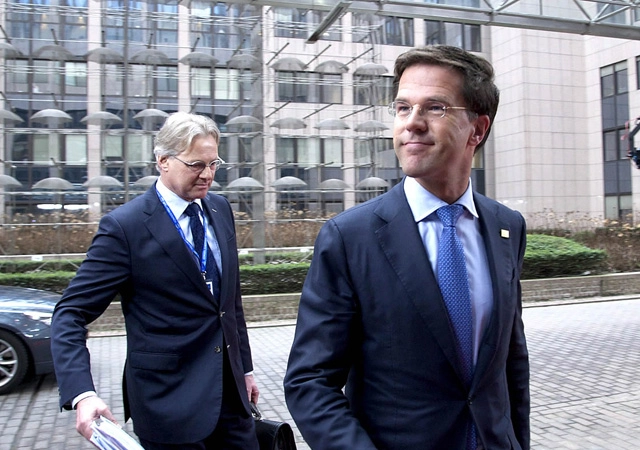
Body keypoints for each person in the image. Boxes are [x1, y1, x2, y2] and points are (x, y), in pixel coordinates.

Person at [284, 45, 530, 450]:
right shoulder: (349, 237)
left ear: (477, 129)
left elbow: (510, 361)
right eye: (402, 108)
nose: (411, 123)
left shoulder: (507, 227)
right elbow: (310, 382)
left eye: (435, 108)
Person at [51, 112, 260, 450]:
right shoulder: (125, 227)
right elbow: (70, 313)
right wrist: (82, 394)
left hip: (232, 402)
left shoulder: (220, 209)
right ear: (163, 161)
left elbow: (229, 305)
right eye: (196, 165)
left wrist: (245, 370)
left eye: (213, 164)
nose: (208, 175)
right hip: (168, 407)